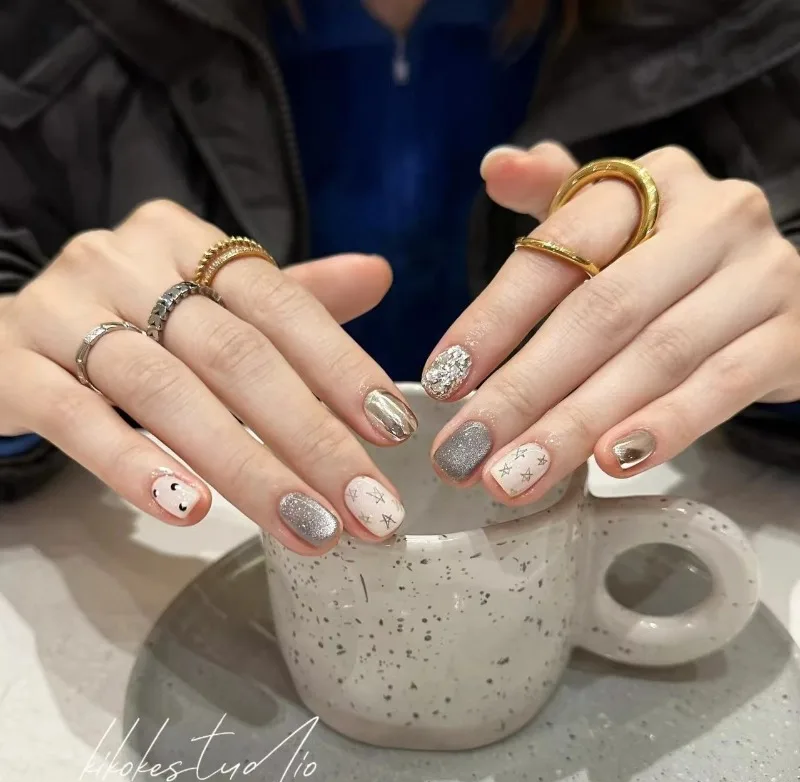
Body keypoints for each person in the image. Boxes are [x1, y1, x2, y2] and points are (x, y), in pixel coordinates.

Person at [0, 0, 798, 553]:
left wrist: (776, 346)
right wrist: (23, 367)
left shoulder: (730, 20)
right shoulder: (57, 24)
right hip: (195, 571)